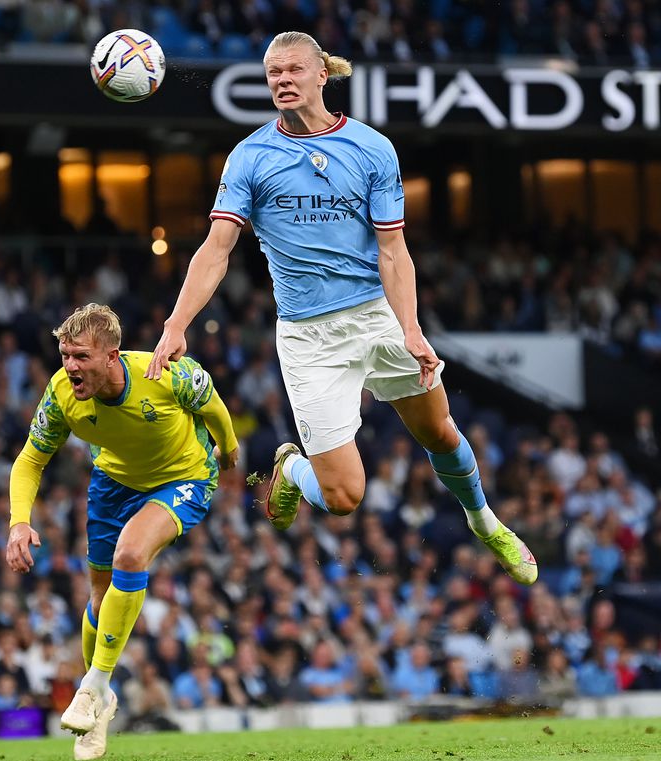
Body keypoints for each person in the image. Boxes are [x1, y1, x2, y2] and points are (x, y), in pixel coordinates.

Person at [146, 31, 536, 586]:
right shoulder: (251, 157)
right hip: (309, 339)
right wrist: (176, 325)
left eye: (293, 71)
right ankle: (290, 468)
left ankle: (485, 522)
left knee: (441, 433)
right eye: (273, 73)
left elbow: (393, 250)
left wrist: (412, 328)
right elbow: (216, 250)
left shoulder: (372, 149)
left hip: (376, 316)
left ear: (320, 75)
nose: (282, 80)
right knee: (344, 496)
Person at [5, 304, 238, 761]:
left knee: (130, 555)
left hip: (183, 477)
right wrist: (19, 521)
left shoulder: (165, 374)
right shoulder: (60, 394)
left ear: (112, 355)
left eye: (81, 357)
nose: (70, 366)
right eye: (65, 355)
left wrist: (228, 452)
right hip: (112, 484)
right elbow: (30, 460)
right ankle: (101, 702)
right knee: (99, 597)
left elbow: (214, 406)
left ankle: (94, 685)